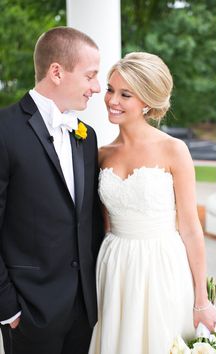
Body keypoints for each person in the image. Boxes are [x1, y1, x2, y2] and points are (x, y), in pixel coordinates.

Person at [89, 52, 216, 354]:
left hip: (161, 265)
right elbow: (101, 222)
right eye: (110, 89)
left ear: (146, 101)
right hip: (114, 265)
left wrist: (202, 300)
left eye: (125, 94)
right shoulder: (102, 153)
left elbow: (190, 228)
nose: (112, 100)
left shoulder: (174, 150)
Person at [0, 26, 104, 354]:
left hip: (82, 312)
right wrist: (9, 309)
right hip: (29, 313)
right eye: (90, 76)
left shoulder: (87, 137)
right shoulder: (4, 130)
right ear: (56, 72)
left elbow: (88, 223)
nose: (97, 87)